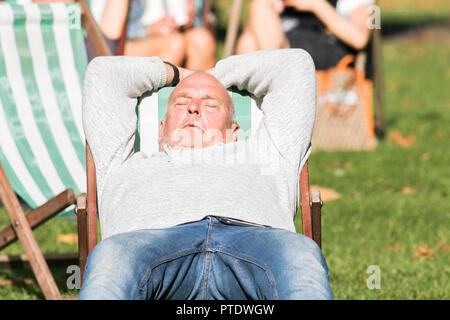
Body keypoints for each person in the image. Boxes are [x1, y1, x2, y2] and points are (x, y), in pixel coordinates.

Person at [78, 48, 333, 300]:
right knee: (111, 256)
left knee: (300, 253)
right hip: (148, 242)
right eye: (181, 102)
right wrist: (180, 74)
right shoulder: (124, 162)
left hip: (254, 240)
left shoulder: (266, 154)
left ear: (234, 133)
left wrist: (208, 74)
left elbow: (294, 65)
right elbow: (104, 73)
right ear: (160, 131)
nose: (194, 108)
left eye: (210, 103)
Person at [236, 0, 374, 70]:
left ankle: (246, 117)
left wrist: (315, 4)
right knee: (250, 38)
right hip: (283, 46)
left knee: (251, 43)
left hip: (327, 50)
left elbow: (359, 38)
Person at [124, 0, 216, 70]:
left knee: (203, 40)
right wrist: (147, 29)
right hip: (130, 41)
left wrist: (190, 17)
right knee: (175, 44)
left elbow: (201, 24)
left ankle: (198, 93)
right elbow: (112, 30)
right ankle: (160, 95)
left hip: (176, 34)